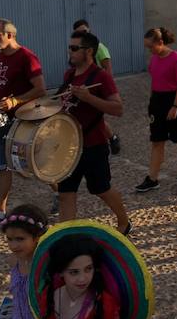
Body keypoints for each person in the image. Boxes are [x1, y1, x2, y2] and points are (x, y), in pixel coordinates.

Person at [0, 19, 46, 234]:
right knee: (2, 166)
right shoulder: (1, 57)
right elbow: (3, 86)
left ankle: (61, 192)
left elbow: (40, 89)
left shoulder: (27, 57)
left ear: (10, 34)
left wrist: (15, 101)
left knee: (32, 163)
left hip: (20, 120)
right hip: (0, 119)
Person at [55, 31, 131, 233]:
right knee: (65, 193)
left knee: (101, 189)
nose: (69, 51)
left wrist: (89, 98)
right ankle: (66, 236)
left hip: (93, 144)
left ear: (88, 51)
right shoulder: (69, 75)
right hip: (69, 146)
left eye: (74, 48)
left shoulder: (101, 77)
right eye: (69, 47)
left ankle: (124, 221)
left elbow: (118, 108)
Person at [135, 27, 177, 193]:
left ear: (160, 43)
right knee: (157, 140)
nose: (149, 50)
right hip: (157, 101)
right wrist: (151, 103)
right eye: (147, 47)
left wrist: (175, 106)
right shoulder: (154, 59)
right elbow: (154, 81)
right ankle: (152, 178)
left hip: (173, 100)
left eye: (151, 46)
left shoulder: (176, 59)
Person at [73, 19, 121, 154]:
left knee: (96, 118)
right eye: (79, 33)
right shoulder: (78, 50)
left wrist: (107, 90)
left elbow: (107, 68)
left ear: (89, 30)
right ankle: (110, 138)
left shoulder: (99, 47)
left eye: (84, 31)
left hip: (96, 88)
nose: (82, 34)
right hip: (85, 89)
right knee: (93, 118)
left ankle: (110, 139)